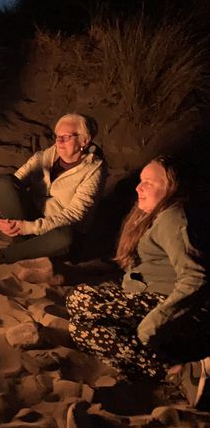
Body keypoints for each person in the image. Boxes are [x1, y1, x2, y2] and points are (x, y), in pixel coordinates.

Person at [66, 156, 209, 410]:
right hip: (146, 298)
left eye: (148, 183)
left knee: (82, 309)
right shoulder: (152, 217)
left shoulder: (173, 218)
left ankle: (179, 373)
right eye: (140, 182)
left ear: (170, 187)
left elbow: (196, 278)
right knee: (80, 315)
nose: (138, 188)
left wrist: (154, 324)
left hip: (170, 308)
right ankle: (156, 361)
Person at [0, 113, 107, 268]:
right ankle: (28, 248)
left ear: (84, 141)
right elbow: (9, 183)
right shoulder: (45, 157)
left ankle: (1, 256)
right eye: (57, 136)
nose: (59, 142)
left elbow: (74, 214)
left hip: (57, 229)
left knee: (65, 237)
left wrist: (30, 228)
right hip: (30, 220)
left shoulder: (93, 170)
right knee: (6, 182)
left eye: (65, 137)